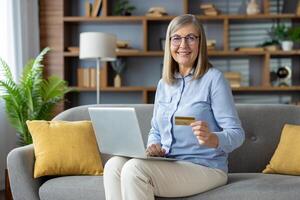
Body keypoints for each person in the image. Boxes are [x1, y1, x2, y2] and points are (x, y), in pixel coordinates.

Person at [103, 14, 245, 200]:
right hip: (169, 163)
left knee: (134, 169)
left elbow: (237, 134)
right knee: (113, 165)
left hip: (206, 167)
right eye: (176, 38)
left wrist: (213, 138)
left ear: (200, 43)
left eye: (190, 38)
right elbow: (156, 129)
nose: (183, 45)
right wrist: (153, 145)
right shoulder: (164, 84)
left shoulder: (214, 79)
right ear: (169, 44)